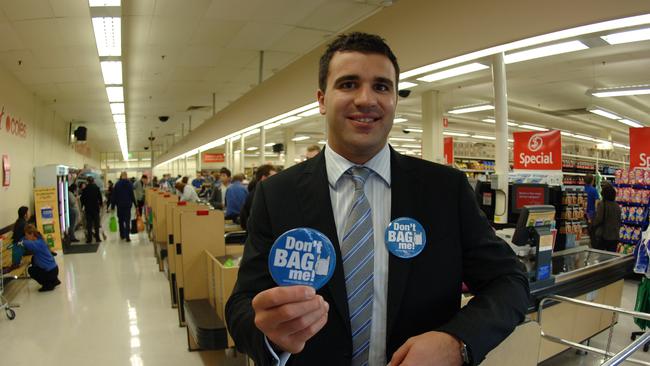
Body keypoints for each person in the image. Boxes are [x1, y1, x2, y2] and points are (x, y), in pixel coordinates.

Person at [226, 33, 528, 366]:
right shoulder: (277, 194)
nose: (366, 99)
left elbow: (509, 282)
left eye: (382, 86)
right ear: (322, 99)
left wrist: (458, 341)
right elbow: (242, 303)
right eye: (348, 84)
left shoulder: (445, 190)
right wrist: (268, 335)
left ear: (395, 99)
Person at [20, 224, 61, 292]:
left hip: (50, 272)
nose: (26, 237)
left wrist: (20, 241)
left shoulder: (36, 244)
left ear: (32, 234)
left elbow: (24, 242)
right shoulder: (40, 239)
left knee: (31, 270)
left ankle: (48, 285)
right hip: (54, 269)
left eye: (26, 235)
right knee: (34, 259)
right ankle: (54, 280)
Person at [239, 164, 276, 231]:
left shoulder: (256, 192)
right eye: (273, 178)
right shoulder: (256, 196)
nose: (276, 181)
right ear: (264, 178)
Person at [591, 182, 621, 252]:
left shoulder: (603, 204)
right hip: (615, 236)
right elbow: (619, 219)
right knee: (611, 257)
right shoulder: (617, 205)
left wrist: (592, 224)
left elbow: (599, 219)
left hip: (604, 236)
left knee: (602, 257)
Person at [112, 172, 137, 242]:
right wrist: (136, 205)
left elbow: (114, 196)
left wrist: (112, 206)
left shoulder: (117, 184)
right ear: (126, 176)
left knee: (120, 220)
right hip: (127, 205)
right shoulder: (129, 184)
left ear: (121, 176)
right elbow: (132, 195)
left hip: (120, 206)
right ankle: (127, 236)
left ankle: (122, 235)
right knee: (127, 220)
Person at [80, 176, 103, 244]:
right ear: (93, 181)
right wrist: (101, 204)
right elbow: (100, 197)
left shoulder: (85, 189)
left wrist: (83, 205)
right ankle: (97, 238)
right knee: (96, 224)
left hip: (88, 209)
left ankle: (89, 239)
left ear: (87, 181)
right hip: (95, 208)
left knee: (89, 224)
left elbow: (82, 199)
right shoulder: (96, 188)